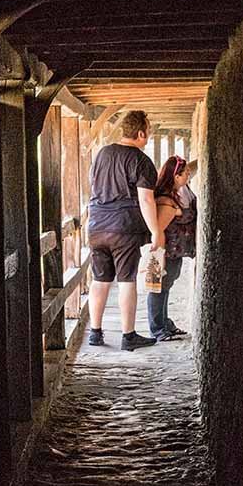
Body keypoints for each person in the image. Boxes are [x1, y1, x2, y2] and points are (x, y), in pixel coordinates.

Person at [87, 110, 163, 351]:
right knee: (126, 280)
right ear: (140, 133)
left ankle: (95, 333)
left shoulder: (102, 154)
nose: (148, 136)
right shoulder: (141, 161)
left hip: (97, 225)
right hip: (124, 228)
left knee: (99, 280)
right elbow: (146, 200)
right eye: (148, 132)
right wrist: (156, 231)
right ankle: (128, 335)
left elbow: (95, 186)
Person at [147, 155, 197, 341]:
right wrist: (158, 257)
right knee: (159, 288)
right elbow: (159, 229)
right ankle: (158, 329)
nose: (188, 176)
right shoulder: (167, 200)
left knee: (165, 287)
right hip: (166, 251)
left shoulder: (177, 194)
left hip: (175, 250)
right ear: (176, 176)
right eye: (186, 173)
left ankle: (164, 323)